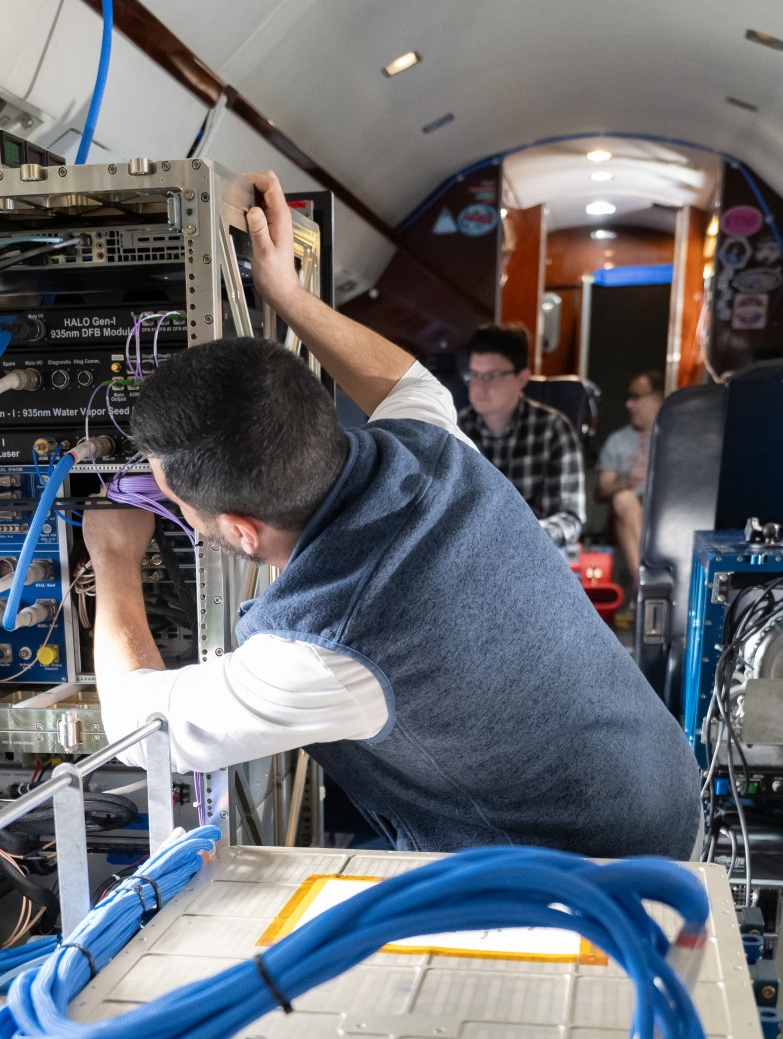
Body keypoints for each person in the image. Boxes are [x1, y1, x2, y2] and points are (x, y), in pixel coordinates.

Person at [81, 172, 700, 860]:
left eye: (175, 505)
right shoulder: (435, 450)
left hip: (591, 863)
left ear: (241, 530)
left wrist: (113, 557)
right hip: (658, 779)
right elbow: (407, 383)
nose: (167, 509)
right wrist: (286, 296)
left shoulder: (323, 649)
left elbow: (134, 725)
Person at [457, 324, 586, 548]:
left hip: (534, 550)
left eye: (492, 376)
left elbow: (570, 518)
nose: (479, 387)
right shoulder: (456, 429)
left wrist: (517, 538)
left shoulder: (553, 430)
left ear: (522, 378)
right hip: (471, 551)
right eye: (474, 375)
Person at [597, 369, 666, 586]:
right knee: (623, 499)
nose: (629, 405)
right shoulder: (618, 440)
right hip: (629, 514)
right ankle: (643, 585)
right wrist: (628, 478)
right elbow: (601, 489)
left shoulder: (677, 437)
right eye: (628, 398)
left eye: (636, 397)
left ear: (659, 397)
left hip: (667, 510)